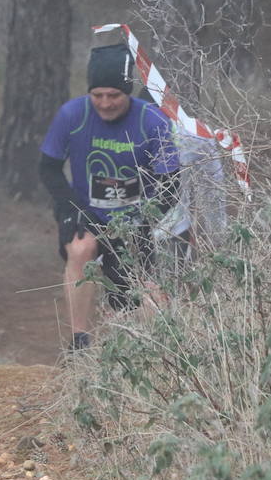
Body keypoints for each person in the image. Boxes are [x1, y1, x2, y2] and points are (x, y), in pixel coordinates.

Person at [38, 43, 180, 350]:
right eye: (98, 95)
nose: (105, 103)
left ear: (128, 91)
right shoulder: (72, 114)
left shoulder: (152, 121)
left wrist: (148, 219)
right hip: (86, 210)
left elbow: (171, 181)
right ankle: (79, 340)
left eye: (114, 95)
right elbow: (48, 168)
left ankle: (158, 349)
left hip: (135, 217)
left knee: (135, 286)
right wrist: (68, 206)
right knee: (80, 249)